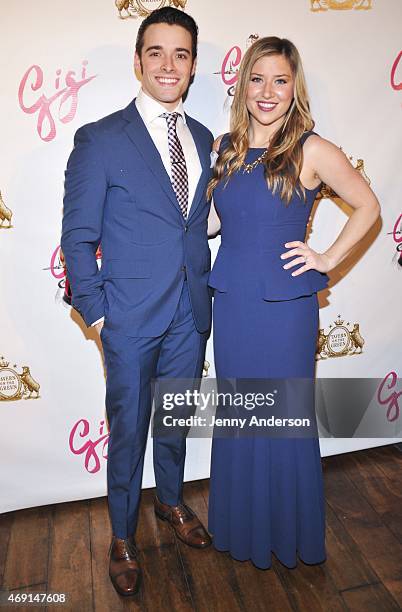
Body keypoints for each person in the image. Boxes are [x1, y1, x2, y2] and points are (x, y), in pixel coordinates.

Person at [207, 36, 380, 569]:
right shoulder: (227, 147)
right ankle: (242, 530)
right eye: (257, 78)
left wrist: (327, 257)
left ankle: (286, 534)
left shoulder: (311, 148)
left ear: (294, 87)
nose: (267, 91)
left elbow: (368, 205)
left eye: (279, 80)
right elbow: (214, 221)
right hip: (233, 302)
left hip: (284, 308)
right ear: (243, 85)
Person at [61, 7, 213, 596]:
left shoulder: (204, 139)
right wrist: (98, 314)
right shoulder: (99, 139)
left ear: (194, 65)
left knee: (174, 418)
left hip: (189, 314)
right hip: (128, 318)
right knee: (127, 431)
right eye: (157, 52)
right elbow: (78, 237)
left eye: (181, 54)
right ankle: (122, 536)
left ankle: (172, 503)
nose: (168, 64)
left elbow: (195, 223)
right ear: (138, 61)